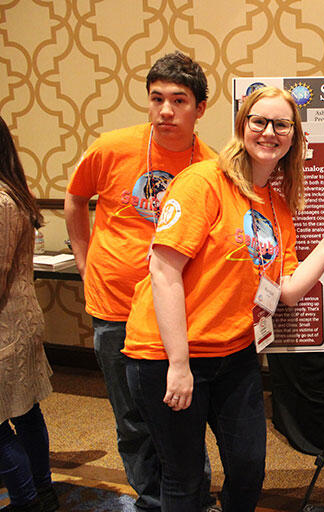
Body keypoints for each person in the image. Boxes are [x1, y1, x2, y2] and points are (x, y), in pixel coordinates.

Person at [121, 85, 324, 511]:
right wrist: (179, 364)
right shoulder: (203, 182)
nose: (270, 132)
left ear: (294, 135)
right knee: (184, 476)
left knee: (249, 467)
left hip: (235, 354)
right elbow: (163, 270)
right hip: (168, 355)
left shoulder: (276, 200)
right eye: (259, 121)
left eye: (282, 124)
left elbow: (286, 291)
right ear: (242, 126)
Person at [63, 52, 218, 512]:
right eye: (157, 99)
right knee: (132, 418)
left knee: (183, 415)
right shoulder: (113, 147)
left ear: (200, 108)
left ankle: (191, 498)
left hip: (175, 311)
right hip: (115, 307)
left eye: (178, 100)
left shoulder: (209, 164)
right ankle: (154, 500)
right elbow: (75, 199)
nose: (166, 110)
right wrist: (85, 259)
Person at [0, 115, 58, 512]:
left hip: (7, 326)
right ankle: (43, 492)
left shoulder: (1, 200)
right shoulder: (11, 192)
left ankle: (28, 500)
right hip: (16, 321)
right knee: (26, 411)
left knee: (3, 425)